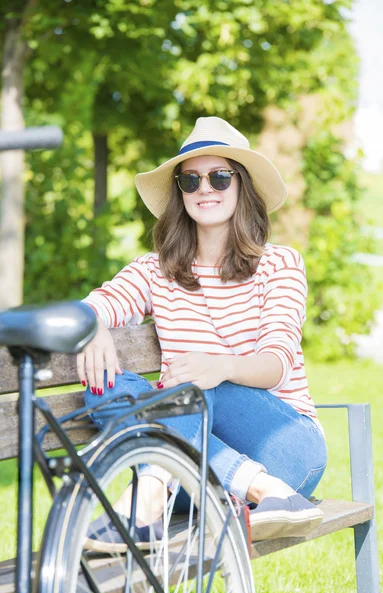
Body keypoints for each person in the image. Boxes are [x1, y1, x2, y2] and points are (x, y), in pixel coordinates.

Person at [77, 116, 328, 550]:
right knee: (102, 386)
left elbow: (276, 365)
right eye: (190, 181)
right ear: (179, 193)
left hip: (284, 448)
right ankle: (255, 489)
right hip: (197, 470)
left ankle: (150, 492)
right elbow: (96, 304)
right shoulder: (154, 270)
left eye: (219, 176)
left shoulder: (280, 265)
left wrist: (218, 366)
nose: (204, 188)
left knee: (190, 380)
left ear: (242, 186)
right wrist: (91, 325)